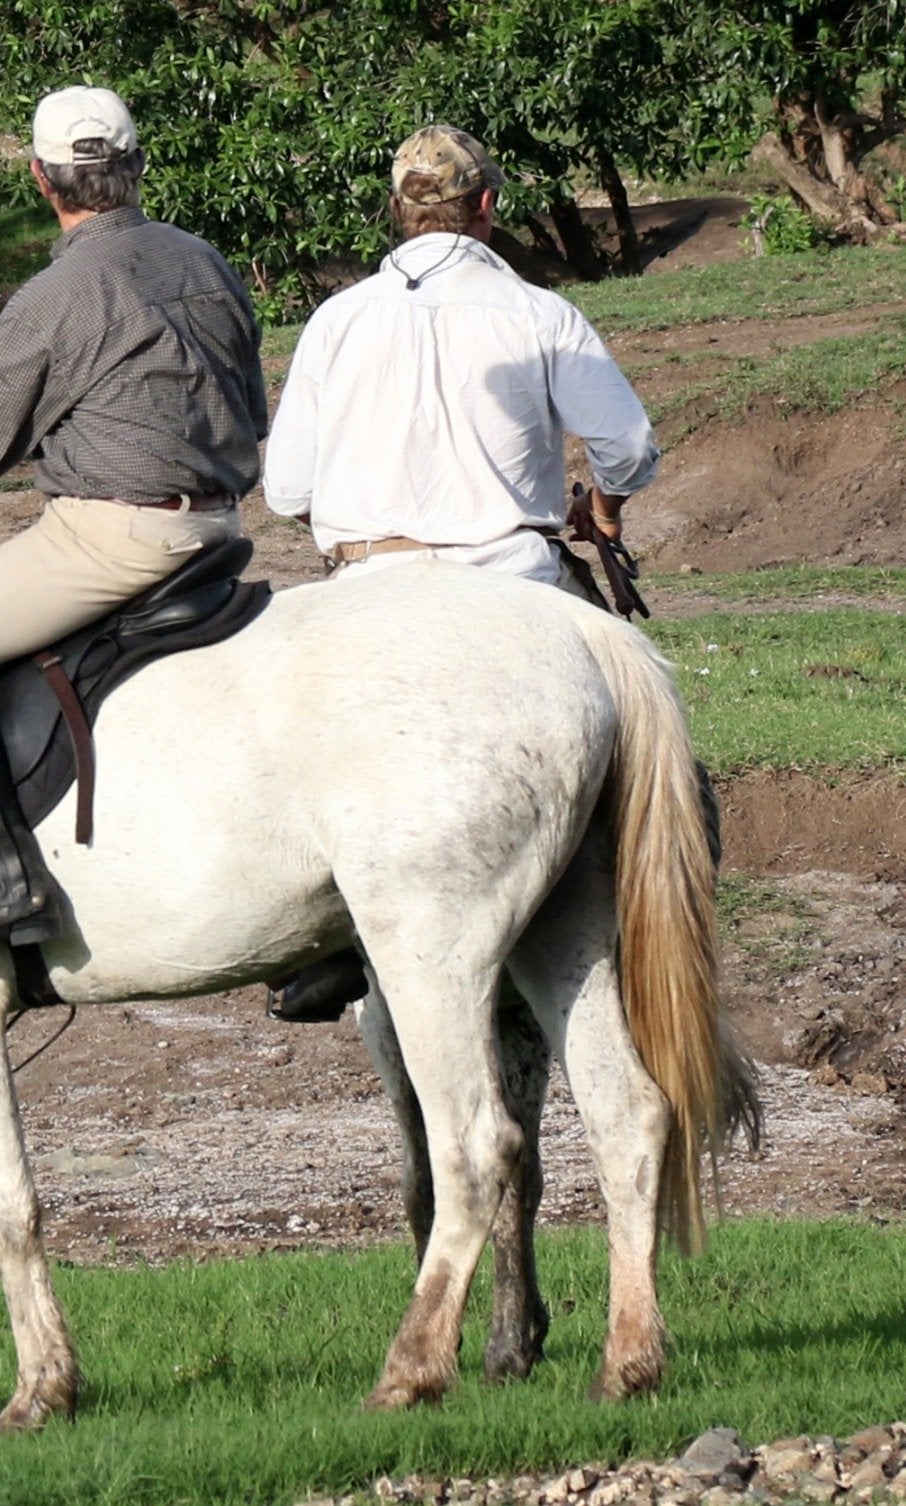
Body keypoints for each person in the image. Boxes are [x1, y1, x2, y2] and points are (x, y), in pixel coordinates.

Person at [0, 84, 268, 954]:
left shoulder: (56, 292)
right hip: (220, 529)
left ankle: (7, 880)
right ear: (136, 166)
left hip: (113, 538)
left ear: (42, 180)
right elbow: (252, 403)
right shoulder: (205, 260)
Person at [259, 123, 663, 1020]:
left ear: (401, 213)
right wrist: (602, 509)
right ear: (487, 207)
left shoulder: (337, 319)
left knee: (272, 763)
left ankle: (320, 947)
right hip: (511, 581)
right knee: (654, 740)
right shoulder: (540, 315)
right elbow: (626, 449)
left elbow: (284, 484)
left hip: (368, 591)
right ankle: (670, 876)